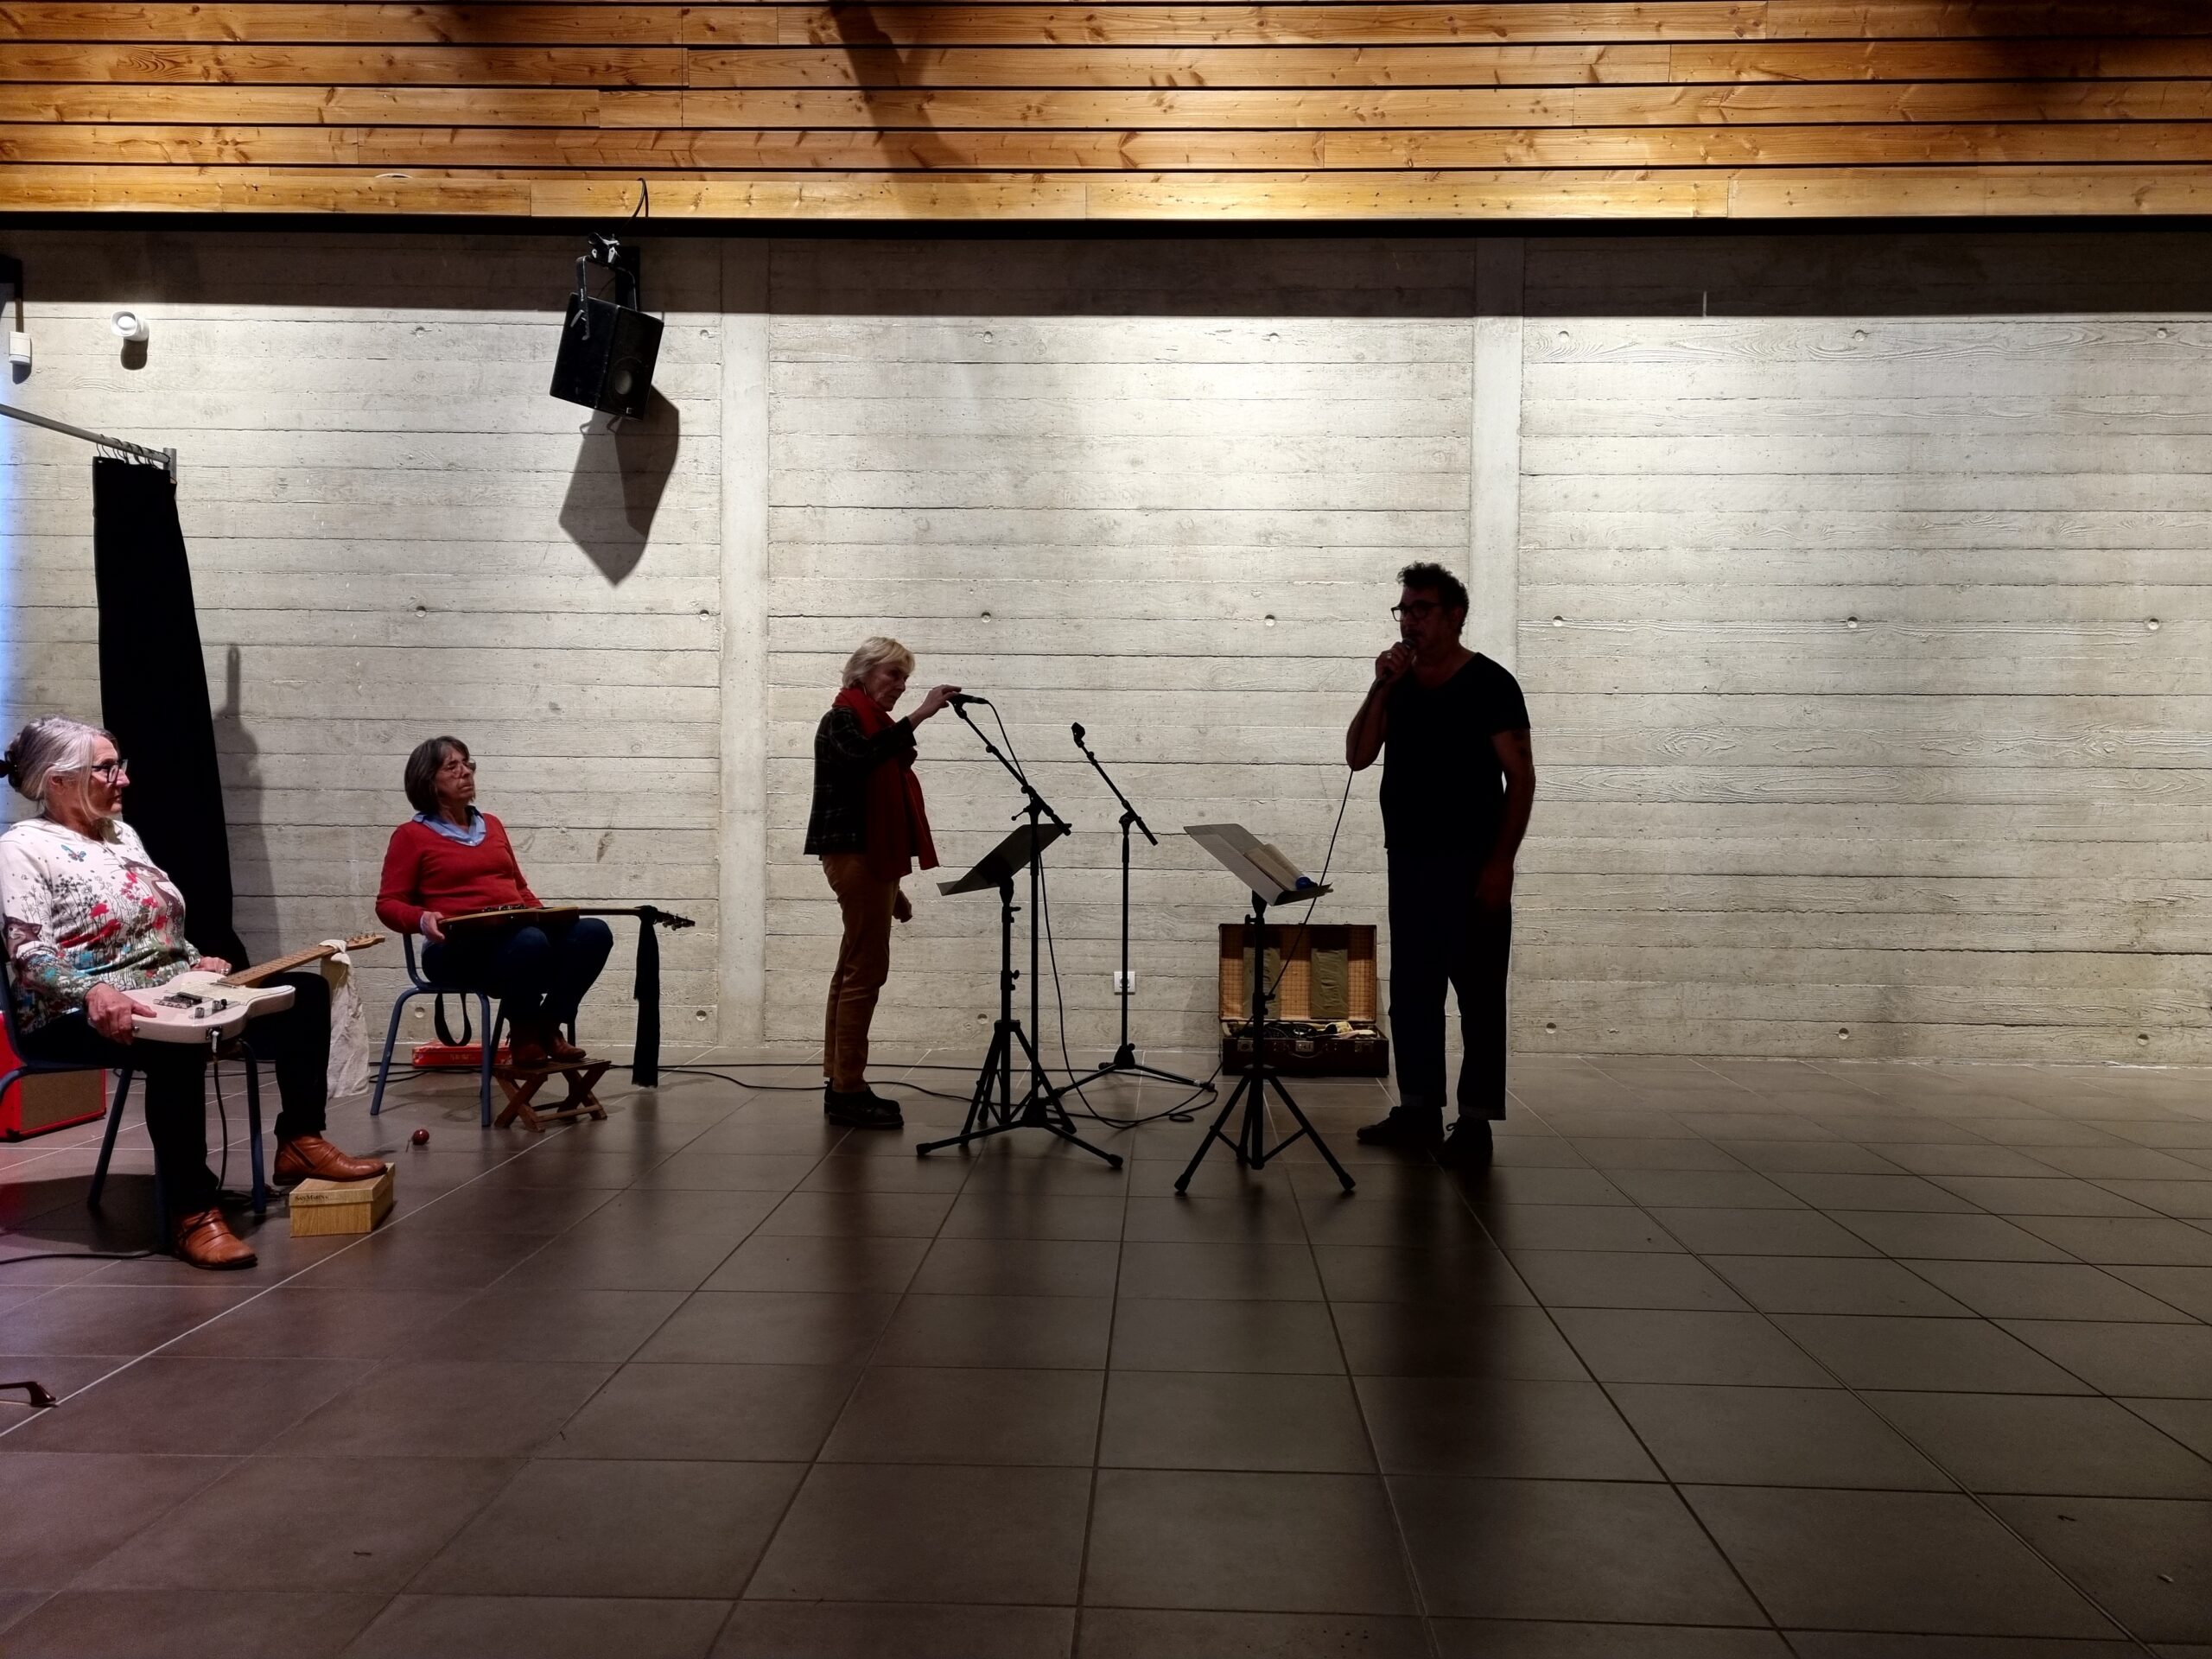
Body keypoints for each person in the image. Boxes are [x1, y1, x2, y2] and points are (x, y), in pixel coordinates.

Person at [0, 716, 385, 1269]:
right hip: (72, 1012)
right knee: (175, 1048)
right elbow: (29, 953)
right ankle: (192, 1211)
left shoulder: (121, 835)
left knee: (303, 994)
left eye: (119, 766)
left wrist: (193, 959)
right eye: (106, 769)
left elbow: (157, 924)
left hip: (167, 993)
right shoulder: (23, 848)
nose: (123, 779)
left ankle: (300, 1142)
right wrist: (94, 991)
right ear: (58, 780)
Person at [1344, 562, 1536, 1166]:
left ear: (1455, 616)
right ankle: (1418, 1109)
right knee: (1412, 993)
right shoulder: (1397, 684)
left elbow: (1522, 778)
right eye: (1403, 609)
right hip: (1409, 859)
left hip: (1474, 864)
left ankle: (1474, 1122)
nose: (1409, 621)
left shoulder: (1490, 684)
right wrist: (1380, 685)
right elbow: (1357, 756)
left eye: (1421, 609)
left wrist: (1502, 864)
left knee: (1478, 996)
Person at [375, 736, 613, 1070]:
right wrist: (421, 919)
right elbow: (388, 903)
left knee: (593, 933)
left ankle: (546, 1025)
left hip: (516, 941)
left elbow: (519, 888)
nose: (465, 772)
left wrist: (545, 916)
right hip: (454, 950)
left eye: (467, 763)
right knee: (529, 941)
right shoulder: (410, 836)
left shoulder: (493, 824)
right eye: (452, 766)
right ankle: (524, 1034)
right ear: (428, 780)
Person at [804, 637, 958, 1129]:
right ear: (863, 672)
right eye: (893, 675)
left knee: (852, 967)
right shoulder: (842, 719)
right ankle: (848, 1090)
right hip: (855, 854)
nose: (901, 686)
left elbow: (877, 777)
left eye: (905, 679)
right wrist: (921, 715)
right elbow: (862, 760)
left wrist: (894, 889)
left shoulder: (871, 722)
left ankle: (841, 1080)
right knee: (865, 972)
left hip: (869, 859)